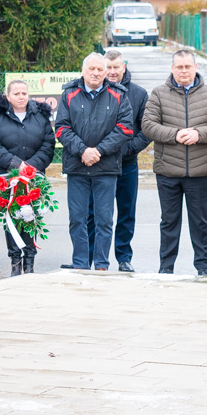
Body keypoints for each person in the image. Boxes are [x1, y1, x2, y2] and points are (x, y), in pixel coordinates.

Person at [56, 53, 133, 270]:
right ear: (83, 71)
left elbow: (125, 128)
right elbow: (61, 127)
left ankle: (101, 265)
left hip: (106, 168)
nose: (97, 73)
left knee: (104, 221)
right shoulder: (69, 94)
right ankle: (80, 263)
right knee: (78, 220)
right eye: (92, 69)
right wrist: (82, 151)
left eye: (100, 69)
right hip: (77, 168)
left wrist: (98, 151)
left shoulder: (118, 95)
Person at [142, 50, 207, 276]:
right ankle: (166, 267)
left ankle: (203, 268)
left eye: (187, 67)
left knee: (200, 223)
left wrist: (199, 134)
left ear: (195, 68)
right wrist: (175, 134)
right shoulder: (159, 93)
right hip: (168, 171)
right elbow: (148, 125)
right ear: (172, 69)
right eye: (179, 67)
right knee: (169, 222)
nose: (184, 71)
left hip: (200, 170)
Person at [86, 50, 149, 272]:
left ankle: (124, 257)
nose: (112, 72)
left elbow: (146, 129)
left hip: (126, 164)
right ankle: (91, 257)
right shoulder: (94, 91)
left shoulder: (139, 94)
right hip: (99, 166)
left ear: (124, 67)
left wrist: (129, 149)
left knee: (126, 212)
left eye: (116, 67)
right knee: (94, 213)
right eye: (108, 68)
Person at [0, 80, 55, 275]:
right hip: (5, 178)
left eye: (24, 93)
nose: (21, 96)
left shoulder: (40, 117)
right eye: (16, 93)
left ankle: (29, 263)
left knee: (31, 218)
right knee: (12, 218)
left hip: (33, 178)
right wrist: (16, 165)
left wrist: (30, 167)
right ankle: (15, 263)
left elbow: (48, 145)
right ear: (8, 97)